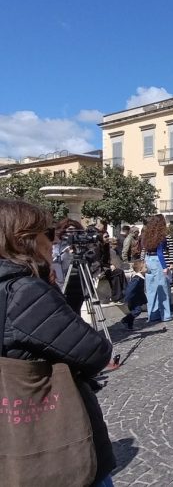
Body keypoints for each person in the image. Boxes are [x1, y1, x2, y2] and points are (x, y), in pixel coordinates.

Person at [0, 199, 116, 486]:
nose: (52, 243)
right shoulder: (25, 291)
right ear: (24, 240)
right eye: (48, 234)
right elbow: (94, 351)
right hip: (51, 435)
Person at [141, 214, 173, 323]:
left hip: (148, 260)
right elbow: (163, 252)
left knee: (151, 290)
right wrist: (168, 265)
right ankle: (166, 315)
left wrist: (143, 263)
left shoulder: (147, 235)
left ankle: (152, 314)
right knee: (163, 289)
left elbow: (143, 250)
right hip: (159, 262)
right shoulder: (164, 235)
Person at [120, 260, 148, 330]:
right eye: (145, 267)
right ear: (141, 270)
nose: (147, 268)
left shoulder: (140, 277)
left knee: (133, 311)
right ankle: (125, 320)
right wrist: (126, 299)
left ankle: (130, 326)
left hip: (136, 298)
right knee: (137, 311)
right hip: (133, 299)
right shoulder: (137, 279)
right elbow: (130, 289)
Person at [106, 238, 126, 304]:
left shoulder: (115, 251)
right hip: (104, 269)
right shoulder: (108, 251)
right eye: (114, 244)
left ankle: (123, 294)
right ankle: (119, 296)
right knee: (118, 272)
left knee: (119, 273)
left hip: (112, 268)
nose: (116, 245)